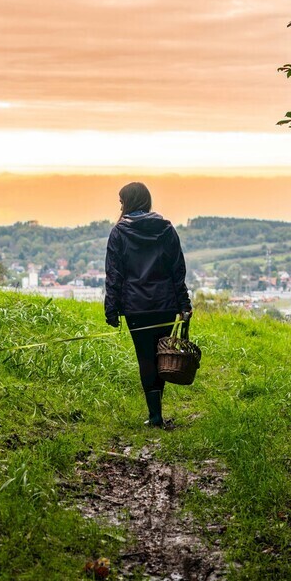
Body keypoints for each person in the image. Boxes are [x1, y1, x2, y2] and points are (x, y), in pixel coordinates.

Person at [104, 182, 192, 429]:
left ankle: (155, 415)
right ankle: (156, 414)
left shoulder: (119, 233)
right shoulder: (166, 229)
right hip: (165, 305)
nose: (120, 206)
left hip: (136, 307)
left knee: (146, 358)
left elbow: (114, 274)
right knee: (161, 356)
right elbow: (177, 270)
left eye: (122, 202)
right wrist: (184, 304)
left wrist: (111, 308)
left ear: (128, 203)